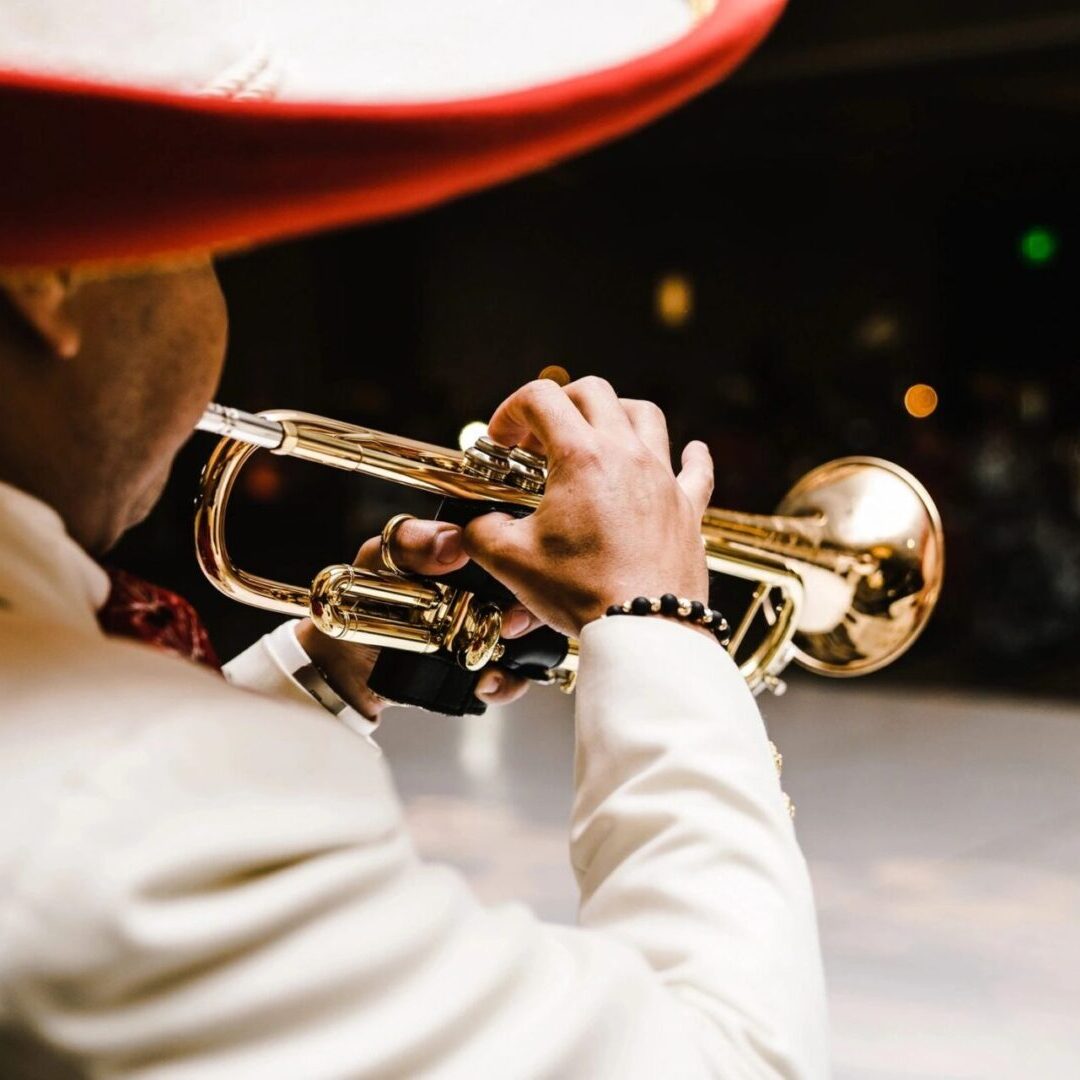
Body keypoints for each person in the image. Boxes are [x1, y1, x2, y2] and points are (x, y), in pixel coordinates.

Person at [0, 3, 827, 1076]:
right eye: (202, 254)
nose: (216, 308)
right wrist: (659, 621)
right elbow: (738, 1056)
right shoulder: (125, 797)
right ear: (46, 283)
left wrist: (336, 661)